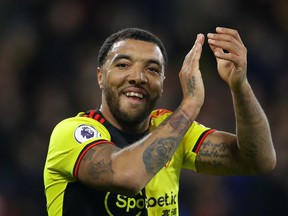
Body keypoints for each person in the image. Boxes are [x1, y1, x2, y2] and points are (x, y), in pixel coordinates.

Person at [43, 26, 276, 216]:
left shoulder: (172, 130)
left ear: (163, 83)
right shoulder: (72, 132)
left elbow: (259, 160)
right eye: (123, 65)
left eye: (152, 69)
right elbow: (128, 177)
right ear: (101, 77)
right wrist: (191, 102)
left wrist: (240, 86)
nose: (138, 77)